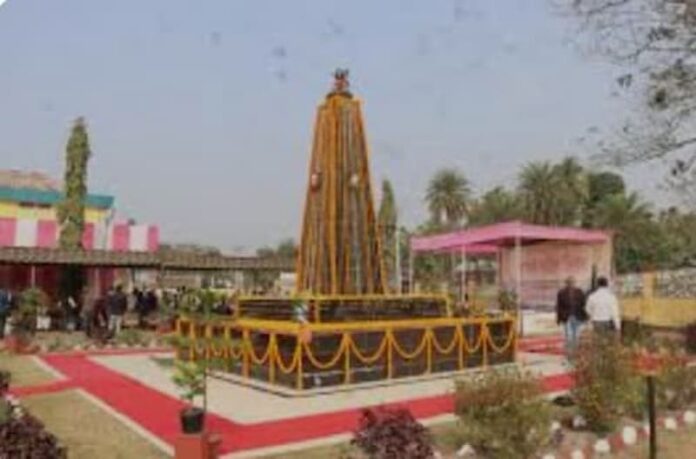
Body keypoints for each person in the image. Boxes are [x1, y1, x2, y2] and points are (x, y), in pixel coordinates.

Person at [556, 277, 588, 353]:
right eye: (569, 282)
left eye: (572, 282)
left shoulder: (579, 292)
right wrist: (559, 318)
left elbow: (583, 304)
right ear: (566, 283)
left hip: (578, 316)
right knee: (569, 335)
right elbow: (559, 306)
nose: (571, 284)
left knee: (577, 335)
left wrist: (585, 317)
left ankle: (575, 350)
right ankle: (569, 351)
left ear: (574, 283)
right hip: (566, 316)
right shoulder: (561, 293)